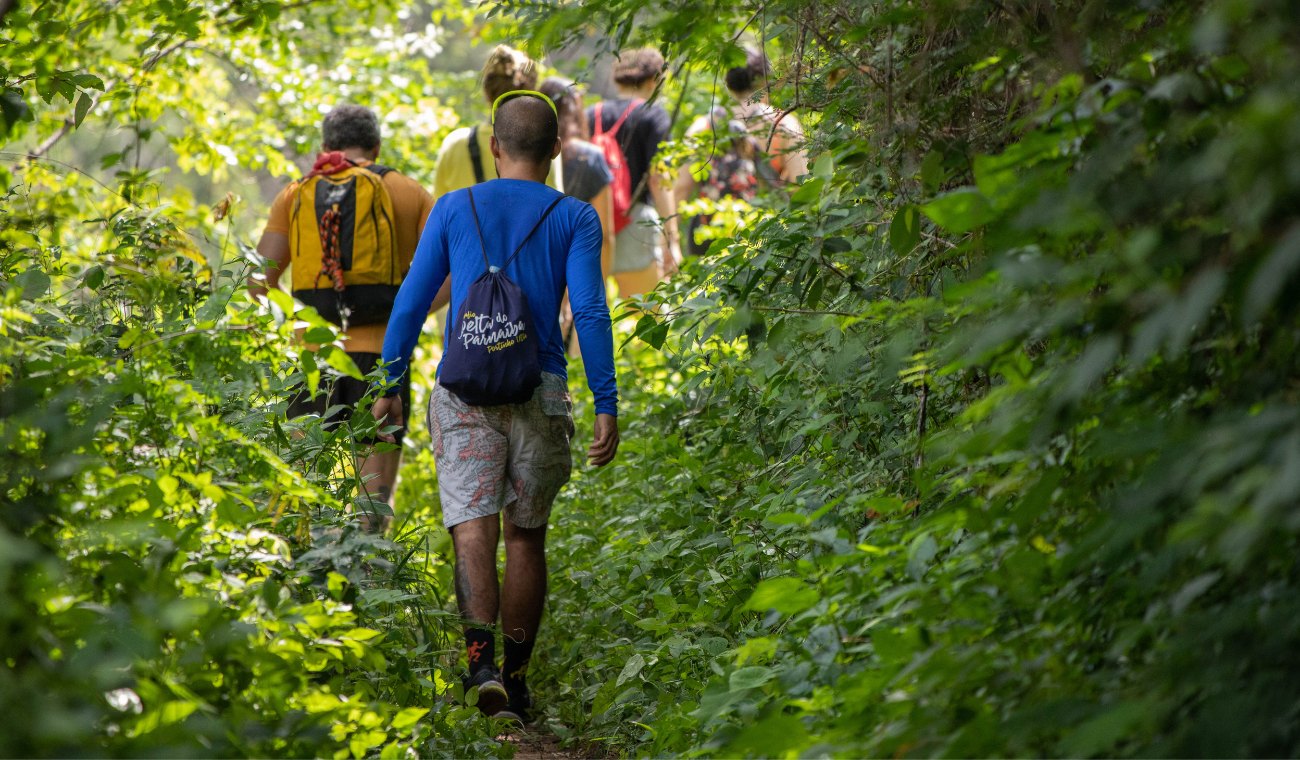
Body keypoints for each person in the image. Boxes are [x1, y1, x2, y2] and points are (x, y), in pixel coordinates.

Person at [372, 92, 620, 725]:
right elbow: (590, 311)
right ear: (557, 149)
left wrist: (390, 381)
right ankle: (517, 680)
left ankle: (480, 670)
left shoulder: (455, 207)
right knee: (525, 536)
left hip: (465, 393)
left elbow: (411, 301)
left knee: (473, 528)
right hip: (542, 388)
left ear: (494, 145)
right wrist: (606, 401)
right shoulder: (575, 217)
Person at [250, 104, 438, 531]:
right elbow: (451, 272)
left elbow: (258, 283)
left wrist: (298, 323)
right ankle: (367, 566)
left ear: (325, 147)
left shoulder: (295, 194)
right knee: (372, 501)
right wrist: (408, 314)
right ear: (376, 147)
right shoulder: (409, 192)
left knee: (304, 489)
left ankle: (308, 563)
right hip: (383, 360)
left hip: (312, 359)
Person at [676, 47, 809, 256]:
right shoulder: (783, 124)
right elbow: (801, 186)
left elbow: (681, 187)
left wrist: (669, 241)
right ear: (764, 81)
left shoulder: (703, 126)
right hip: (764, 239)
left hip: (711, 240)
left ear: (728, 84)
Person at [586, 47, 681, 299]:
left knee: (591, 313)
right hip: (635, 222)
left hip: (592, 225)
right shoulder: (654, 114)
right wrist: (672, 239)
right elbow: (659, 178)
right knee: (649, 315)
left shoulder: (591, 114)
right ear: (653, 80)